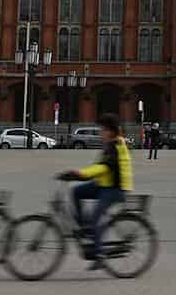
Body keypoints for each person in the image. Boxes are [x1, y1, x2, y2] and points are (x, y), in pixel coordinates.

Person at [57, 113, 133, 265]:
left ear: (111, 131)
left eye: (103, 130)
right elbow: (99, 168)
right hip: (104, 184)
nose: (100, 133)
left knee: (94, 216)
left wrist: (80, 174)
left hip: (116, 188)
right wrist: (78, 176)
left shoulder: (116, 145)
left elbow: (104, 167)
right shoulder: (110, 144)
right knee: (76, 192)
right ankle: (85, 228)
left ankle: (99, 254)